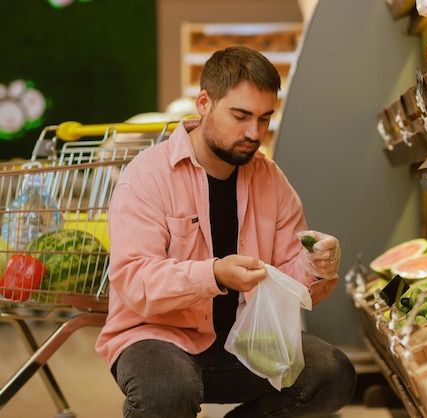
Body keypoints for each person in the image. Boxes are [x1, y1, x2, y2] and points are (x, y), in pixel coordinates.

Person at [95, 45, 357, 418]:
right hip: (156, 336)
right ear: (204, 103)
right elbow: (134, 281)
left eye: (265, 118)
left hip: (245, 337)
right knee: (168, 391)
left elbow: (289, 279)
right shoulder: (146, 177)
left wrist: (317, 266)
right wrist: (213, 274)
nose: (254, 133)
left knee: (333, 374)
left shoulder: (271, 179)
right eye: (241, 115)